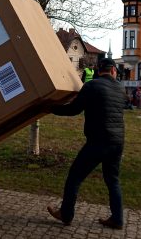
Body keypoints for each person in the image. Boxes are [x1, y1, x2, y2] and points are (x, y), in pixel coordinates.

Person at [47, 58, 127, 230]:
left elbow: (73, 110)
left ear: (99, 71)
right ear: (113, 70)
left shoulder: (92, 86)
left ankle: (66, 214)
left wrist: (51, 107)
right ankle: (118, 219)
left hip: (98, 141)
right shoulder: (121, 88)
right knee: (113, 180)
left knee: (75, 177)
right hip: (117, 141)